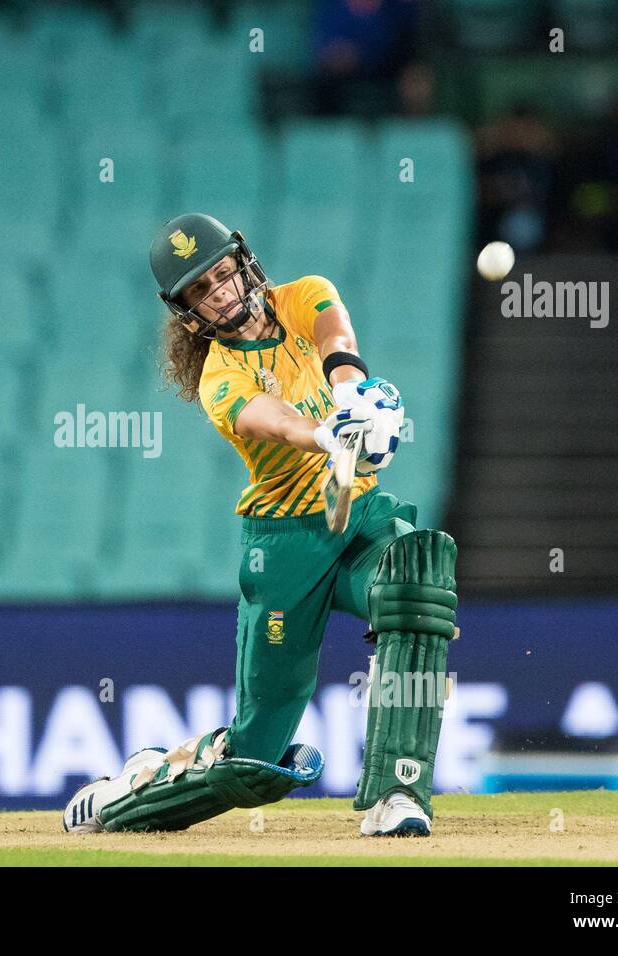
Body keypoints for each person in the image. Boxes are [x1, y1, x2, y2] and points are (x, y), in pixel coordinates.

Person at [63, 214, 459, 837]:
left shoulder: (301, 294)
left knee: (415, 579)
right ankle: (131, 791)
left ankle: (395, 795)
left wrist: (353, 395)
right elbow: (270, 420)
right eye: (200, 289)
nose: (219, 290)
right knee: (255, 760)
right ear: (186, 310)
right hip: (283, 549)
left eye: (221, 273)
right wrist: (326, 433)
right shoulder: (218, 376)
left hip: (358, 516)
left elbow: (335, 332)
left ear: (244, 263)